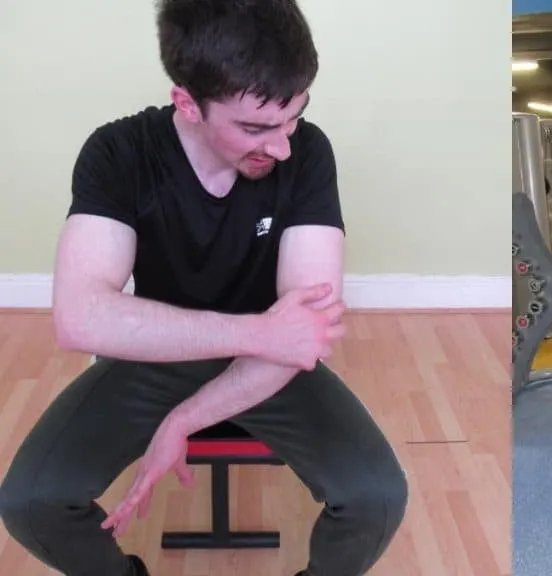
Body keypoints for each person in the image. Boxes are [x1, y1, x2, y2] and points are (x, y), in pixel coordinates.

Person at [0, 1, 408, 574]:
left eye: (293, 117)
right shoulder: (118, 153)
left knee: (377, 497)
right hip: (159, 359)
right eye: (256, 127)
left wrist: (185, 417)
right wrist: (260, 330)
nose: (284, 145)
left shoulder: (308, 153)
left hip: (268, 366)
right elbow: (79, 317)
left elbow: (301, 337)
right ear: (188, 104)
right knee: (30, 502)